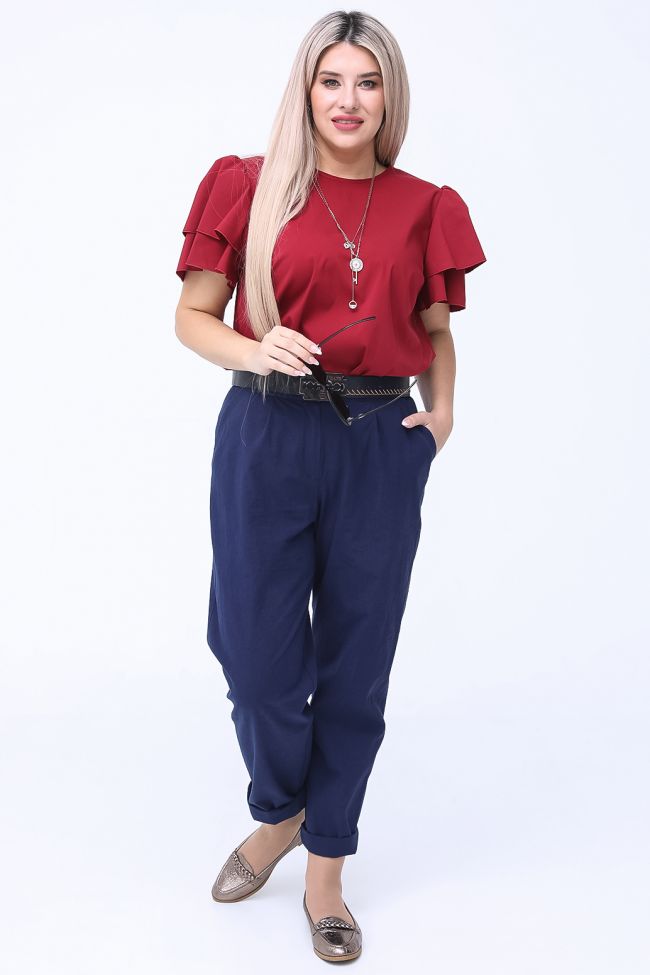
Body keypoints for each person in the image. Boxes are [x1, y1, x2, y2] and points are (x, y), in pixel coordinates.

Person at [174, 9, 486, 963]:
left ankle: (325, 870)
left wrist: (441, 414)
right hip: (268, 429)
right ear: (305, 89)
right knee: (255, 658)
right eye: (332, 80)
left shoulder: (426, 204)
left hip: (379, 441)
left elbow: (435, 331)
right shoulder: (248, 184)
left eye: (368, 82)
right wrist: (253, 345)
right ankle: (281, 809)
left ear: (389, 94)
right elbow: (192, 316)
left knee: (357, 662)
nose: (349, 100)